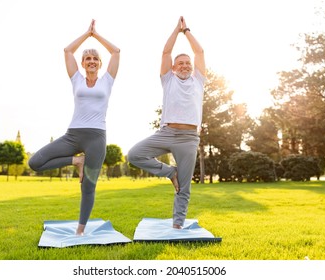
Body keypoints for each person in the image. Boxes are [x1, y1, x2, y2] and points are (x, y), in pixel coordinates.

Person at [29, 19, 120, 235]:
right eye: (87, 58)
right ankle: (76, 161)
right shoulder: (76, 79)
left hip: (96, 138)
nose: (91, 61)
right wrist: (86, 34)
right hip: (73, 135)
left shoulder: (107, 80)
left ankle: (80, 230)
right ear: (82, 63)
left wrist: (96, 35)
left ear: (99, 63)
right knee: (35, 162)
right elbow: (67, 50)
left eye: (95, 59)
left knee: (88, 186)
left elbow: (116, 52)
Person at [127, 16, 206, 229]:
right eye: (180, 63)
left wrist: (187, 31)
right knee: (134, 155)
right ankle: (170, 172)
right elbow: (165, 52)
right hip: (166, 133)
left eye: (187, 63)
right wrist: (175, 30)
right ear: (172, 68)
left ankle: (177, 225)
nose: (184, 65)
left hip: (189, 138)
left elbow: (199, 52)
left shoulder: (199, 80)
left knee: (185, 186)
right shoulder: (168, 79)